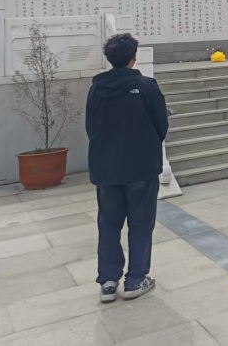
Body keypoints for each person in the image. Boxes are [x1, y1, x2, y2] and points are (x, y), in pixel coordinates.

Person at [86, 33, 169, 303]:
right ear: (134, 56)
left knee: (109, 224)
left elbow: (91, 127)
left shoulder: (96, 89)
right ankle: (135, 279)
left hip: (106, 167)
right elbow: (161, 126)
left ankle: (108, 282)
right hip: (141, 166)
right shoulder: (145, 87)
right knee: (141, 223)